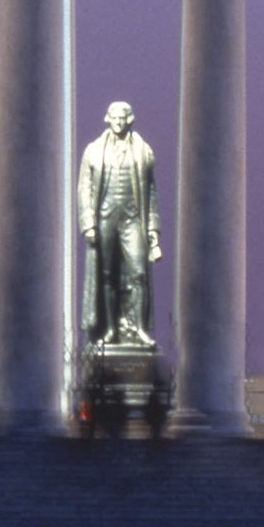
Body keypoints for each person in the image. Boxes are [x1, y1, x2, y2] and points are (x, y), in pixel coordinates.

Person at [78, 100, 162, 347]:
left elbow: (152, 193)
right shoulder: (93, 151)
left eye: (122, 117)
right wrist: (88, 224)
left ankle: (138, 329)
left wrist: (153, 230)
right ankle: (110, 330)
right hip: (105, 217)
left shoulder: (144, 151)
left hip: (132, 218)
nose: (118, 121)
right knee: (106, 276)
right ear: (107, 119)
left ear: (130, 119)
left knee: (139, 273)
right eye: (114, 117)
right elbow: (84, 189)